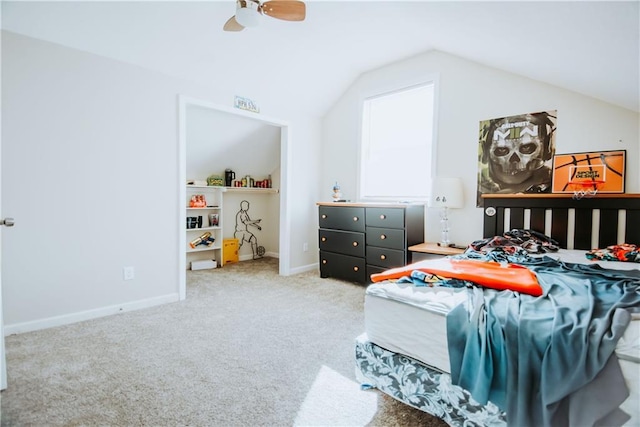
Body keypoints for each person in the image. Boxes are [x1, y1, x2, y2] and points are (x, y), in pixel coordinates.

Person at [477, 111, 556, 206]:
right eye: (502, 150)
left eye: (526, 148)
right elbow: (489, 200)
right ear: (486, 152)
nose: (514, 160)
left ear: (547, 150)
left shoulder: (550, 185)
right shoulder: (480, 189)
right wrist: (531, 182)